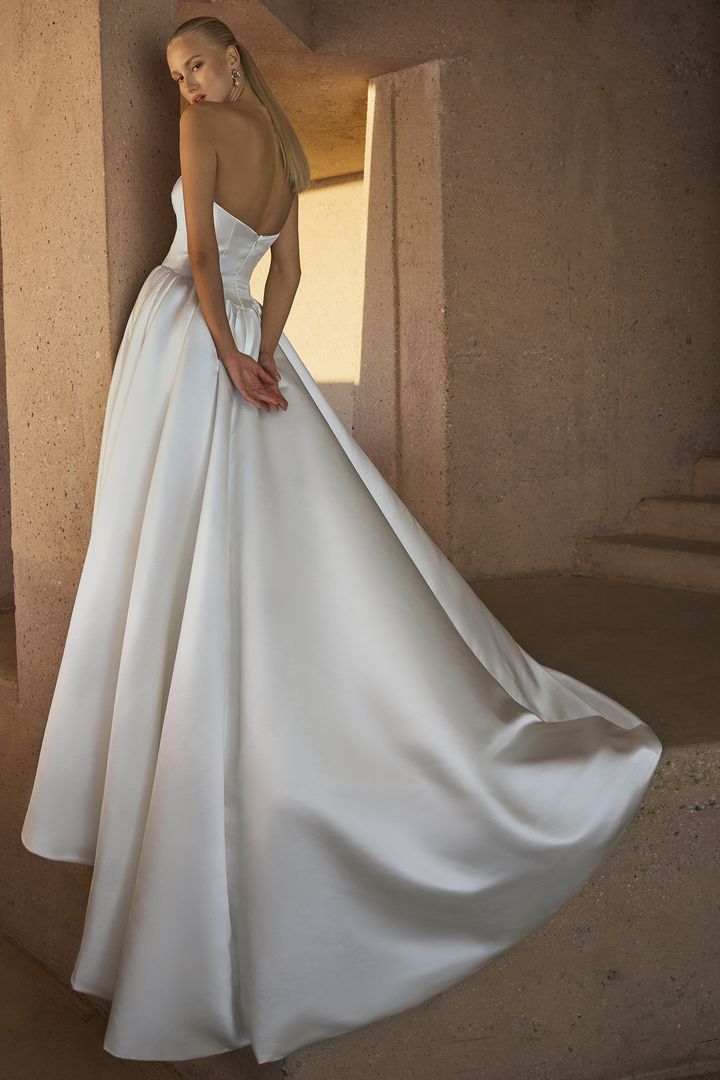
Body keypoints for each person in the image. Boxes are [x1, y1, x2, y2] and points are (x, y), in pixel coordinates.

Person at [20, 14, 663, 1068]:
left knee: (169, 549)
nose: (183, 84)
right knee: (244, 547)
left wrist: (228, 361)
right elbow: (290, 276)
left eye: (194, 64)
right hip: (251, 352)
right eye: (173, 73)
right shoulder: (287, 151)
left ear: (233, 63)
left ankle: (189, 758)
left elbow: (189, 262)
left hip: (188, 346)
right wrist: (271, 355)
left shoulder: (208, 134)